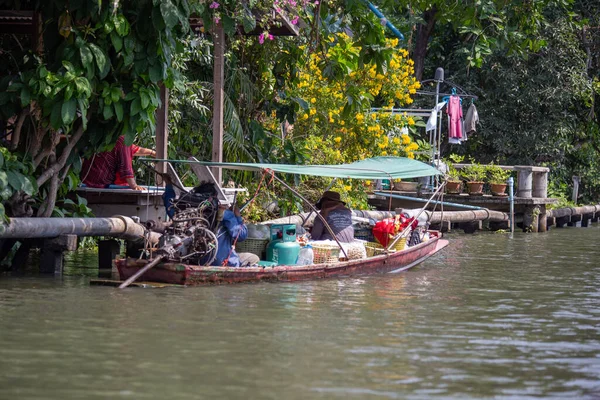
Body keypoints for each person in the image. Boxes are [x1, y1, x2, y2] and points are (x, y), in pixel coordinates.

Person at [81, 136, 153, 190]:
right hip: (101, 186)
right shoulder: (122, 140)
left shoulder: (103, 135)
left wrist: (153, 153)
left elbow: (136, 150)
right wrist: (134, 186)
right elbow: (126, 168)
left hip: (85, 182)